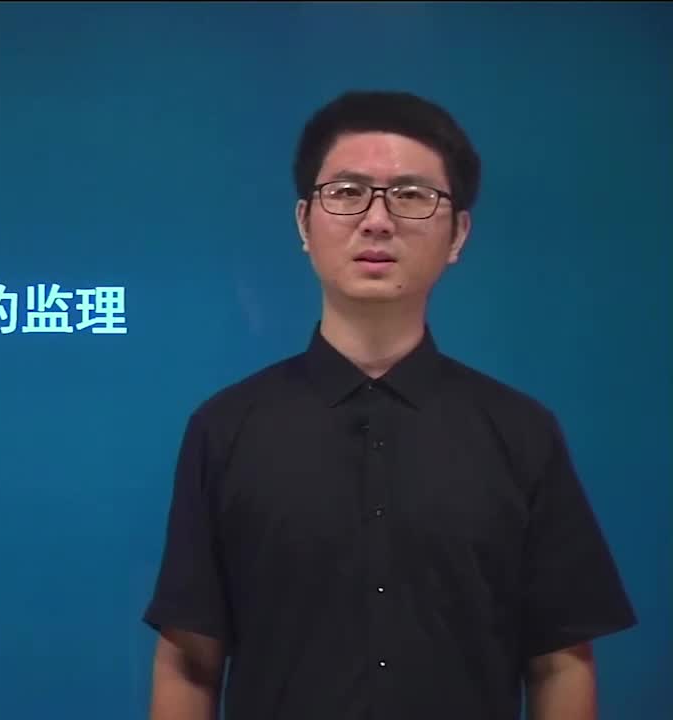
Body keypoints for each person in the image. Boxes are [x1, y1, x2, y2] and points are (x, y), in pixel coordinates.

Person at [142, 90, 637, 720]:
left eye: (411, 195)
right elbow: (190, 662)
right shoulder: (226, 429)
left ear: (458, 234)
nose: (377, 221)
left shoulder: (522, 433)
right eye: (347, 192)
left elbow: (559, 661)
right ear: (304, 224)